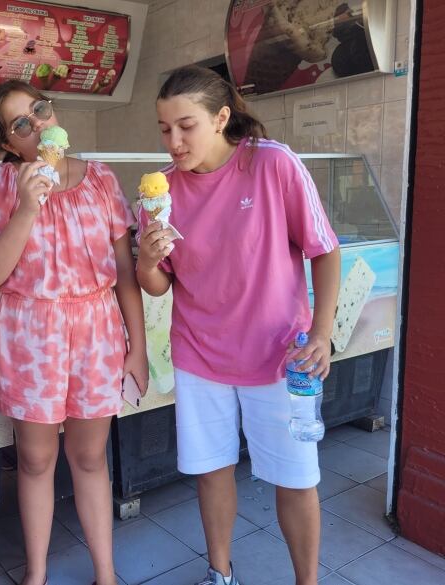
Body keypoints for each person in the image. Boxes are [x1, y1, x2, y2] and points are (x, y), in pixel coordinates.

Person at [136, 65, 341, 585]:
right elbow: (160, 284)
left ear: (222, 117)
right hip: (200, 353)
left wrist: (321, 333)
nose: (174, 141)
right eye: (164, 129)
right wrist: (145, 260)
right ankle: (220, 572)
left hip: (278, 355)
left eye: (186, 126)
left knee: (295, 478)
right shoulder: (160, 195)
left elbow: (325, 248)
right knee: (211, 471)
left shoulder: (271, 165)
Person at [0, 79, 149, 585]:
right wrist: (27, 205)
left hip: (95, 332)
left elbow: (126, 274)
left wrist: (136, 348)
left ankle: (106, 574)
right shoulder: (0, 186)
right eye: (21, 124)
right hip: (30, 336)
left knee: (90, 456)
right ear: (10, 144)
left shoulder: (101, 180)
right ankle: (36, 574)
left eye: (41, 111)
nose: (39, 125)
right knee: (35, 458)